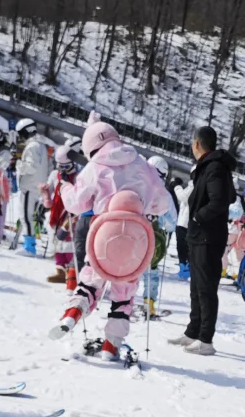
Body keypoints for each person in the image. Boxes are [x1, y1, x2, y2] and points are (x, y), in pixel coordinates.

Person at [48, 113, 170, 359]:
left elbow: (77, 204)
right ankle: (110, 346)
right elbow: (163, 204)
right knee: (123, 295)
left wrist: (65, 187)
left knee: (90, 282)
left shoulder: (95, 167)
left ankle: (72, 315)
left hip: (103, 238)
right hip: (137, 242)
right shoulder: (144, 165)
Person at [167, 124, 236, 356]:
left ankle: (206, 339)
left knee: (206, 288)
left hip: (208, 235)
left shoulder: (215, 167)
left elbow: (220, 200)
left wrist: (198, 216)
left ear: (197, 143)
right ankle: (192, 331)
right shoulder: (207, 167)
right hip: (199, 234)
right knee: (196, 287)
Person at [142, 155, 177, 317]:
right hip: (153, 238)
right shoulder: (165, 195)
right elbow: (171, 223)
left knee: (130, 268)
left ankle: (122, 301)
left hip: (134, 234)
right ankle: (149, 304)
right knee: (151, 272)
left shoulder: (137, 185)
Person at [44, 138, 83, 281]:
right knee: (57, 241)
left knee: (69, 242)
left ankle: (71, 271)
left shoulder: (79, 177)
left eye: (67, 167)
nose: (63, 171)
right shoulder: (55, 175)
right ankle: (60, 270)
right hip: (57, 212)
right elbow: (50, 194)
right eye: (61, 167)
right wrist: (45, 195)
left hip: (71, 213)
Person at [13, 117, 50, 255]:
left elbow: (31, 167)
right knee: (29, 216)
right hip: (37, 186)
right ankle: (30, 244)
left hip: (30, 186)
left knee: (25, 216)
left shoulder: (32, 147)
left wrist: (18, 164)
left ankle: (30, 247)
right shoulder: (41, 145)